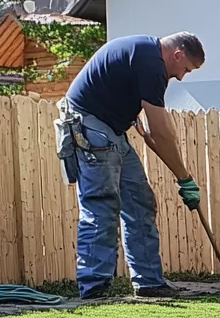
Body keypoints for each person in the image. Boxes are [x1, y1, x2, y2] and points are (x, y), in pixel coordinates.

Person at [55, 32, 205, 299]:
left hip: (112, 130)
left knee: (139, 202)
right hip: (91, 127)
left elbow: (156, 131)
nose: (181, 77)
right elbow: (161, 131)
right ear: (177, 55)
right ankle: (94, 287)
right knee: (102, 204)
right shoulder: (151, 62)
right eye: (184, 69)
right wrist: (184, 178)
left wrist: (182, 175)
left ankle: (148, 282)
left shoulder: (147, 54)